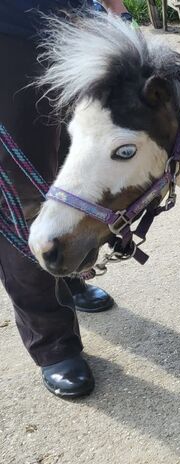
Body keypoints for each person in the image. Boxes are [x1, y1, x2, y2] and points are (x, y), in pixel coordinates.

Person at [0, 0, 130, 398]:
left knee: (74, 172)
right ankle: (52, 341)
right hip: (8, 35)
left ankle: (69, 275)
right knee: (23, 193)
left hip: (73, 30)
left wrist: (117, 13)